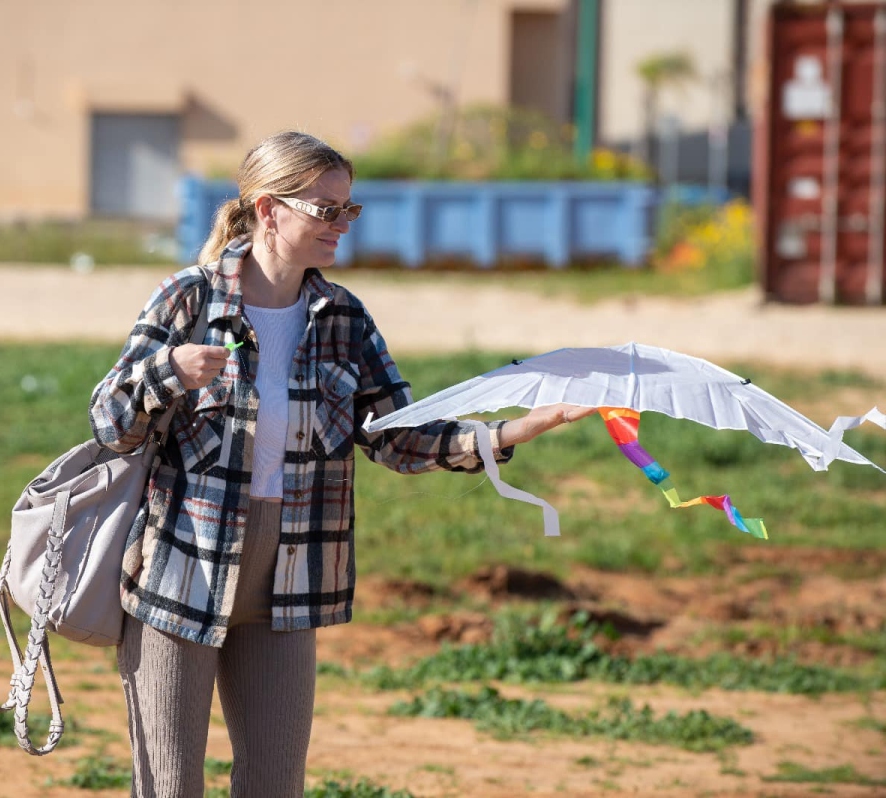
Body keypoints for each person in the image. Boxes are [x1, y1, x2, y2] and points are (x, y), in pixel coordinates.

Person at [89, 130, 593, 797]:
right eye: (326, 210)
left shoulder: (344, 318)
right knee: (169, 786)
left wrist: (512, 432)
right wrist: (167, 371)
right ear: (269, 210)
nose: (341, 226)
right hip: (180, 579)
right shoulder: (190, 300)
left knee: (275, 785)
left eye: (347, 209)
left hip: (289, 585)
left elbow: (398, 435)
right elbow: (109, 420)